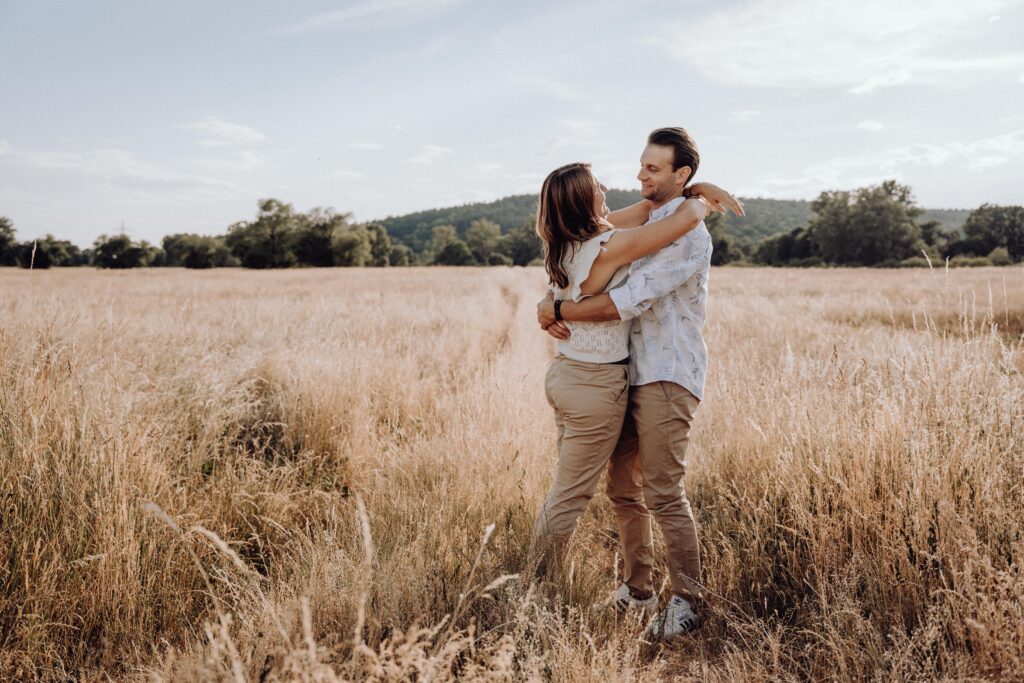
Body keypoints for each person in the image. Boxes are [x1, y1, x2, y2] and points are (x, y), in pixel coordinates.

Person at [537, 127, 741, 641]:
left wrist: (557, 308)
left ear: (680, 174)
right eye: (641, 165)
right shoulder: (645, 221)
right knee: (623, 490)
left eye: (652, 168)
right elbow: (611, 224)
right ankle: (639, 588)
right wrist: (698, 191)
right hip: (623, 373)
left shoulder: (688, 236)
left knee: (664, 491)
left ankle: (688, 601)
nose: (639, 175)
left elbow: (621, 304)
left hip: (666, 373)